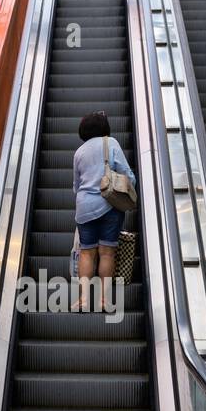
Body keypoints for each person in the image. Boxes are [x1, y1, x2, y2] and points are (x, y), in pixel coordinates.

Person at [72, 111, 135, 311]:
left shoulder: (79, 152)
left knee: (86, 253)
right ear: (104, 127)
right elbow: (127, 175)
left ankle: (83, 299)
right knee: (107, 252)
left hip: (84, 207)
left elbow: (75, 185)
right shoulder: (111, 143)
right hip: (109, 204)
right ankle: (103, 300)